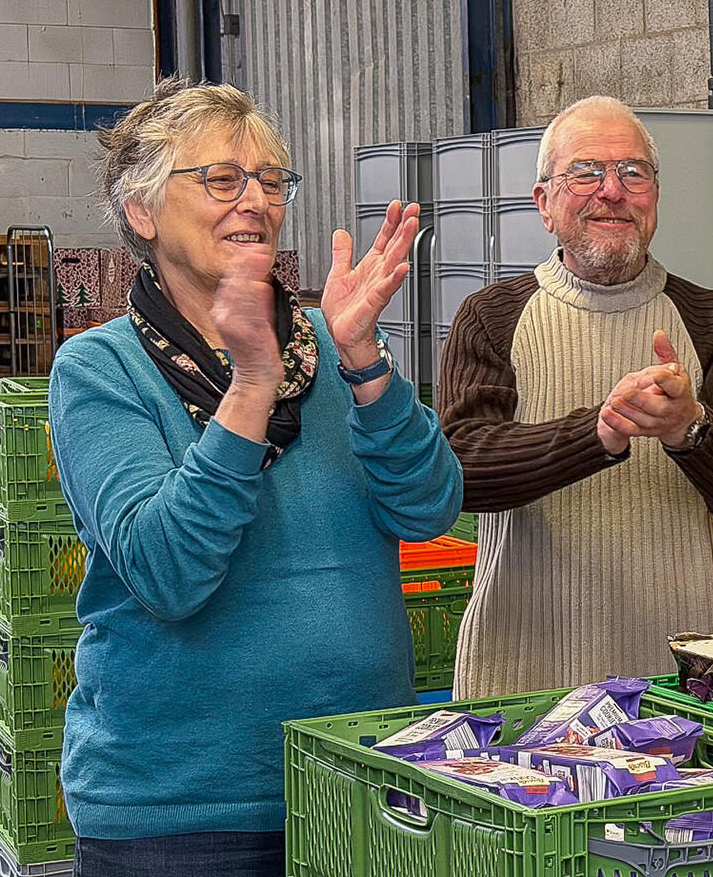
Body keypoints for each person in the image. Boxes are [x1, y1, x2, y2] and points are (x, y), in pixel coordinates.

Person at [47, 78, 464, 876]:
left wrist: (366, 363)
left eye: (271, 181)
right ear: (142, 211)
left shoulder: (329, 341)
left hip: (358, 778)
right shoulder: (101, 371)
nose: (256, 201)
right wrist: (249, 385)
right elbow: (167, 572)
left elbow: (429, 507)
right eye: (220, 179)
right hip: (182, 814)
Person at [439, 95, 713, 696]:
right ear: (543, 205)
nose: (612, 191)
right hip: (528, 675)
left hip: (693, 684)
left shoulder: (712, 321)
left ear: (655, 198)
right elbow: (458, 474)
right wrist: (596, 435)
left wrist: (691, 430)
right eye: (586, 172)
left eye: (633, 172)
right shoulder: (490, 319)